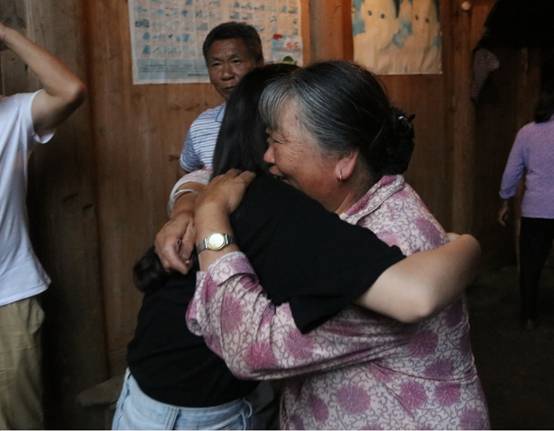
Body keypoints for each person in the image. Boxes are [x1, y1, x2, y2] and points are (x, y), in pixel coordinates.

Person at [116, 64, 480, 430]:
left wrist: (210, 214)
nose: (268, 156)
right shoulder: (332, 210)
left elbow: (253, 349)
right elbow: (200, 177)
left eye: (278, 140)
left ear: (344, 158)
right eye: (266, 139)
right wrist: (189, 202)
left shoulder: (379, 245)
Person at [0, 22, 86, 429]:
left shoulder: (14, 115)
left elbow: (71, 91)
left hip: (7, 297)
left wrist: (5, 34)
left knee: (16, 422)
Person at [498, 84, 554, 330]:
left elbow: (512, 171)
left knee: (531, 265)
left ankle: (528, 316)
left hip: (536, 209)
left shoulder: (526, 133)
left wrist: (505, 200)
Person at [179, 21, 263, 174]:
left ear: (259, 63)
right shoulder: (201, 126)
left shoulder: (282, 118)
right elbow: (188, 171)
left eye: (236, 61)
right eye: (216, 64)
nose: (226, 74)